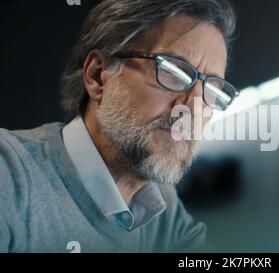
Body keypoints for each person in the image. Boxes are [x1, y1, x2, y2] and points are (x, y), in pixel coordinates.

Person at [0, 0, 238, 252]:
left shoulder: (164, 213)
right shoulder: (10, 176)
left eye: (212, 91)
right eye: (173, 72)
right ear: (97, 75)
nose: (193, 108)